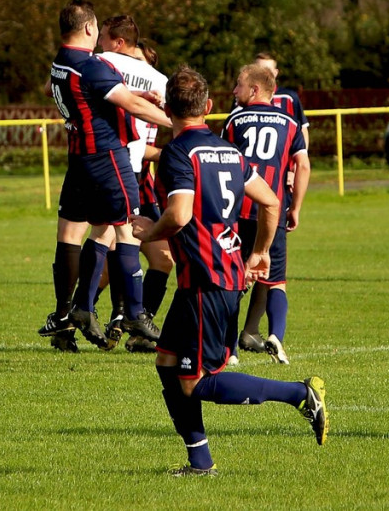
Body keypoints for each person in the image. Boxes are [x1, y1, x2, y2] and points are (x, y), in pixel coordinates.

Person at [131, 66, 327, 476]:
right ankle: (199, 461)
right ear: (209, 106)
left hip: (208, 281)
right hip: (208, 278)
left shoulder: (177, 154)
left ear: (168, 109)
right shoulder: (228, 151)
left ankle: (299, 394)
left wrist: (151, 231)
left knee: (196, 382)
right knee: (167, 363)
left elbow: (180, 212)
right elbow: (272, 201)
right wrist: (259, 253)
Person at [36, 0, 171, 351]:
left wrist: (132, 93)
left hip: (81, 155)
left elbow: (106, 97)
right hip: (108, 156)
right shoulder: (90, 65)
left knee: (96, 230)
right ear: (89, 29)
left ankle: (77, 309)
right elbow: (133, 106)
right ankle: (135, 314)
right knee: (125, 228)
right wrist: (180, 124)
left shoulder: (61, 64)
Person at [92, 17, 173, 353]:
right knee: (112, 250)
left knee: (161, 258)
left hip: (141, 180)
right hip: (123, 174)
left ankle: (137, 324)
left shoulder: (134, 81)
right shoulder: (119, 81)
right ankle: (84, 312)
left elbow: (148, 145)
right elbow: (145, 147)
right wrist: (169, 153)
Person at [222, 64, 310, 365]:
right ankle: (276, 335)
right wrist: (295, 207)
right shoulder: (290, 122)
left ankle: (229, 350)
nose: (235, 91)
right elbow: (304, 166)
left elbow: (223, 162)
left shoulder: (235, 118)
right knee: (275, 281)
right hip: (272, 212)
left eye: (239, 85)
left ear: (254, 89)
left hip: (239, 210)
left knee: (233, 279)